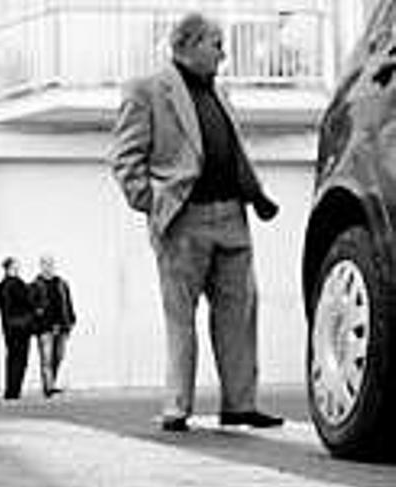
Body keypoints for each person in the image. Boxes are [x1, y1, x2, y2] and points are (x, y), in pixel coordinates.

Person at [110, 11, 284, 433]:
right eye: (216, 43)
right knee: (180, 317)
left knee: (239, 314)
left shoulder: (220, 92)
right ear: (186, 45)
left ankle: (240, 405)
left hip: (233, 216)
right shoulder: (147, 89)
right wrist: (153, 203)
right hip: (183, 220)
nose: (224, 52)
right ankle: (177, 407)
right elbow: (125, 158)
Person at [29, 255, 76, 397]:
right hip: (45, 328)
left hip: (62, 327)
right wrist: (38, 315)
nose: (48, 267)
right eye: (45, 264)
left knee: (58, 357)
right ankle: (48, 387)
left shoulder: (62, 283)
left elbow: (68, 303)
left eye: (50, 264)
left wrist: (71, 321)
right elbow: (31, 305)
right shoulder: (35, 285)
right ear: (41, 266)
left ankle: (52, 382)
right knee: (46, 359)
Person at [0, 257, 37, 400]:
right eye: (16, 266)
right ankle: (15, 390)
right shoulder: (17, 284)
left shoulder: (0, 286)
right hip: (21, 328)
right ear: (10, 268)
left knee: (11, 358)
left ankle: (9, 390)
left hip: (8, 328)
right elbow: (28, 301)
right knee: (21, 359)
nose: (19, 268)